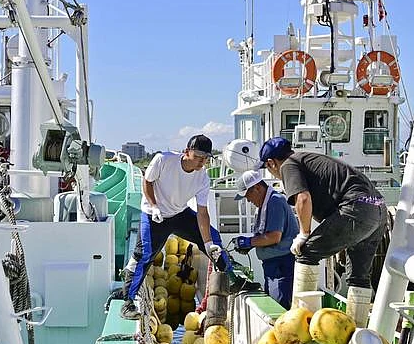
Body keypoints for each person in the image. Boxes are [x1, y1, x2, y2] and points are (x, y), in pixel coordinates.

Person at [256, 137, 387, 326]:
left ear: (271, 163)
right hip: (377, 208)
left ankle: (299, 324)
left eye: (268, 168)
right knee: (359, 276)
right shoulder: (307, 159)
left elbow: (302, 198)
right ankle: (355, 329)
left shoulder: (288, 165)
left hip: (357, 207)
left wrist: (303, 234)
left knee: (306, 252)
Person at [121, 135, 228, 320]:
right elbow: (148, 181)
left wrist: (208, 243)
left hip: (179, 214)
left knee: (214, 238)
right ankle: (128, 301)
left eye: (206, 157)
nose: (202, 161)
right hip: (154, 215)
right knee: (144, 254)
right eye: (199, 156)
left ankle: (230, 277)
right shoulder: (163, 160)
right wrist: (154, 206)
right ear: (187, 152)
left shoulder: (202, 177)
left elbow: (202, 213)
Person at [232, 170, 299, 308]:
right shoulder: (266, 203)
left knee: (279, 305)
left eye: (248, 195)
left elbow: (274, 236)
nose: (248, 200)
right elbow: (265, 234)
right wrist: (250, 244)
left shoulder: (275, 201)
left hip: (282, 264)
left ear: (257, 188)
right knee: (274, 303)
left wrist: (248, 242)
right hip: (273, 265)